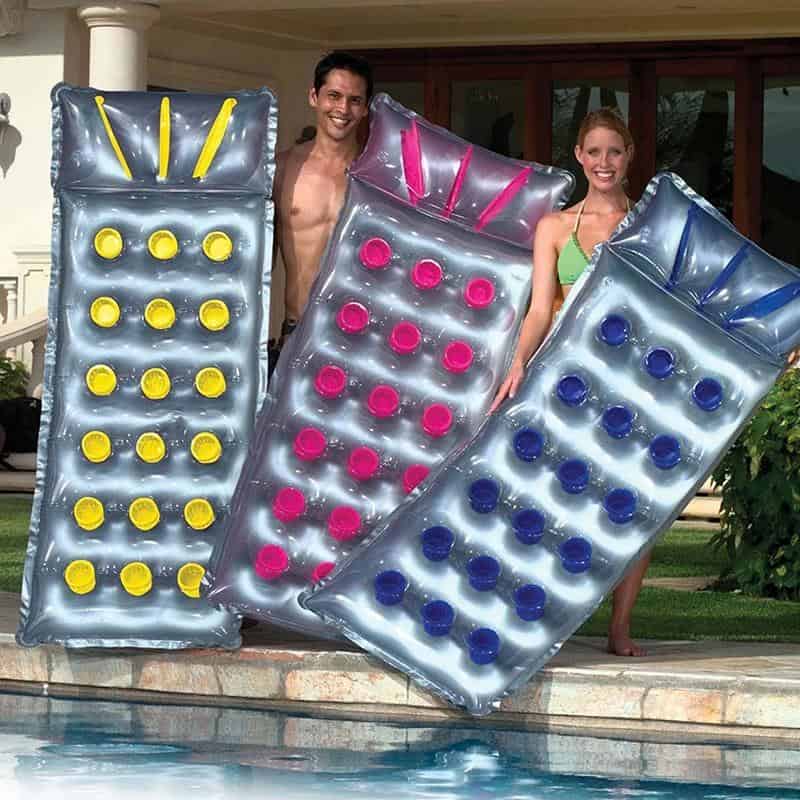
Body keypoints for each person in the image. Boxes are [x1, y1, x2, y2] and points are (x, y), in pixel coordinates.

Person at [489, 107, 649, 657]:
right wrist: (518, 362)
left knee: (636, 508)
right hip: (567, 385)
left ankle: (620, 626)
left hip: (632, 384)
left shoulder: (647, 225)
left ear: (629, 157)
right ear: (579, 156)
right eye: (594, 151)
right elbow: (540, 309)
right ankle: (540, 617)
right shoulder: (555, 228)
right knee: (556, 502)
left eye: (615, 151)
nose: (605, 162)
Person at [269, 51, 372, 375]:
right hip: (297, 336)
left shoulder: (377, 179)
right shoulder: (281, 170)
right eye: (334, 96)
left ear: (366, 108)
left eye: (355, 100)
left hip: (363, 343)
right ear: (314, 97)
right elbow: (256, 265)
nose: (343, 109)